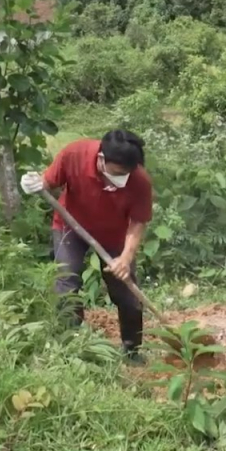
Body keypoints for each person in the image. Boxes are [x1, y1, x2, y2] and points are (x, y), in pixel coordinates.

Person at [20, 129, 152, 362]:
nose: (124, 178)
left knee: (127, 292)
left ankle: (132, 350)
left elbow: (138, 221)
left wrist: (125, 258)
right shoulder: (74, 154)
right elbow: (48, 181)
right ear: (102, 160)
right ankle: (71, 345)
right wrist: (35, 183)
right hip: (70, 226)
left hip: (115, 236)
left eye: (128, 173)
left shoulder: (138, 180)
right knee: (66, 285)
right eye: (119, 173)